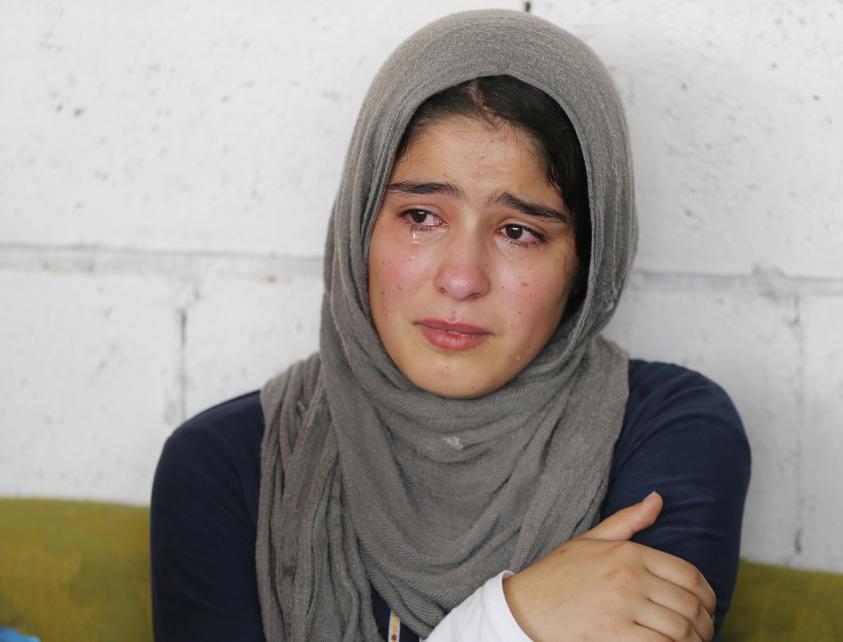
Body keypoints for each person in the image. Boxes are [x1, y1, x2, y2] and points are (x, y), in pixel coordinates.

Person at [150, 9, 751, 642]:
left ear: (587, 263)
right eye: (420, 216)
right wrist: (513, 621)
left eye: (518, 231)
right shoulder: (224, 465)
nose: (463, 278)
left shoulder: (669, 432)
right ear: (359, 226)